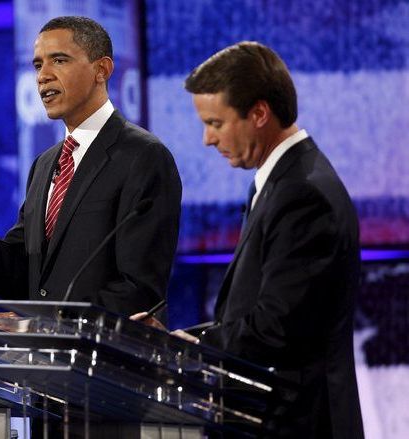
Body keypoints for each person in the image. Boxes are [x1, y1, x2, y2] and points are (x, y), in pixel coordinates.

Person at [136, 41, 363, 438]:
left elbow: (276, 328)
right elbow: (262, 313)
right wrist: (180, 338)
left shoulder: (302, 195)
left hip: (297, 424)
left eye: (216, 123)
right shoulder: (286, 181)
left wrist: (185, 344)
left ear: (259, 113)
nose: (207, 138)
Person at [0, 16, 181, 317]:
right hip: (45, 360)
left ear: (102, 69)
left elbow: (139, 290)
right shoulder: (45, 164)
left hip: (103, 358)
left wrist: (48, 323)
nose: (43, 76)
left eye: (59, 60)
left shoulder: (143, 156)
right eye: (37, 65)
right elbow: (21, 276)